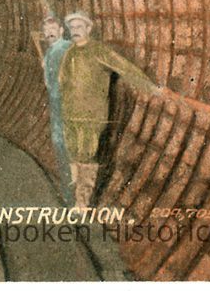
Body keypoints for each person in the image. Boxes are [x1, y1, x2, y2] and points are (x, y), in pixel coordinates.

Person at [59, 11, 162, 207]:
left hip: (92, 116)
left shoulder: (98, 50)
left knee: (87, 157)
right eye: (72, 28)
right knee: (74, 155)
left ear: (89, 29)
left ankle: (82, 204)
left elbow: (124, 67)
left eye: (80, 27)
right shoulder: (70, 53)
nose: (75, 31)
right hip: (71, 115)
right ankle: (76, 196)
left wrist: (150, 87)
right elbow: (62, 81)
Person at [40, 15, 74, 204]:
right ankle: (70, 195)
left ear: (61, 30)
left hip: (66, 107)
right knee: (61, 148)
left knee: (66, 149)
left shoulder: (65, 49)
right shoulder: (52, 51)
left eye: (53, 29)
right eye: (46, 30)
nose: (49, 33)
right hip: (57, 107)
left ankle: (72, 198)